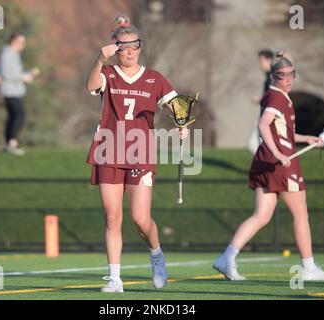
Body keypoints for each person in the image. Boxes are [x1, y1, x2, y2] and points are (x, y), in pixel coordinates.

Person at [214, 50, 324, 281]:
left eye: (292, 74)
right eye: (283, 75)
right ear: (273, 77)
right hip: (280, 164)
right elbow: (263, 125)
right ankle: (309, 268)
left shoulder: (276, 96)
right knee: (300, 214)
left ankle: (226, 258)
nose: (289, 79)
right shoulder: (278, 97)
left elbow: (281, 132)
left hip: (265, 161)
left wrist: (307, 138)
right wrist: (279, 153)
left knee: (261, 216)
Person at [86, 15, 186, 293]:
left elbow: (178, 108)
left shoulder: (154, 78)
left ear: (140, 47)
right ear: (114, 47)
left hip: (140, 151)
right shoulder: (108, 73)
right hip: (108, 149)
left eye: (133, 46)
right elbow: (91, 87)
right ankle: (114, 278)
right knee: (112, 216)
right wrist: (98, 60)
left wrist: (183, 125)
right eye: (122, 46)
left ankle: (156, 255)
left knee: (140, 219)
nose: (128, 52)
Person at [0, 33, 35, 156]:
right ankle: (12, 143)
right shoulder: (7, 54)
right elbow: (6, 73)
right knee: (20, 115)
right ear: (14, 42)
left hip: (14, 91)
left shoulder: (13, 55)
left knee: (12, 117)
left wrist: (26, 75)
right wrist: (23, 77)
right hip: (10, 91)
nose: (23, 46)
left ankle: (10, 143)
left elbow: (14, 72)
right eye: (21, 42)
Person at [248, 49, 274, 154]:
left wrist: (260, 99)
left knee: (254, 143)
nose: (260, 64)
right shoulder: (269, 76)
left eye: (261, 61)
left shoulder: (273, 76)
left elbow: (273, 96)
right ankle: (265, 167)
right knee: (258, 143)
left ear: (269, 60)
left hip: (268, 116)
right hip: (264, 114)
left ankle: (267, 167)